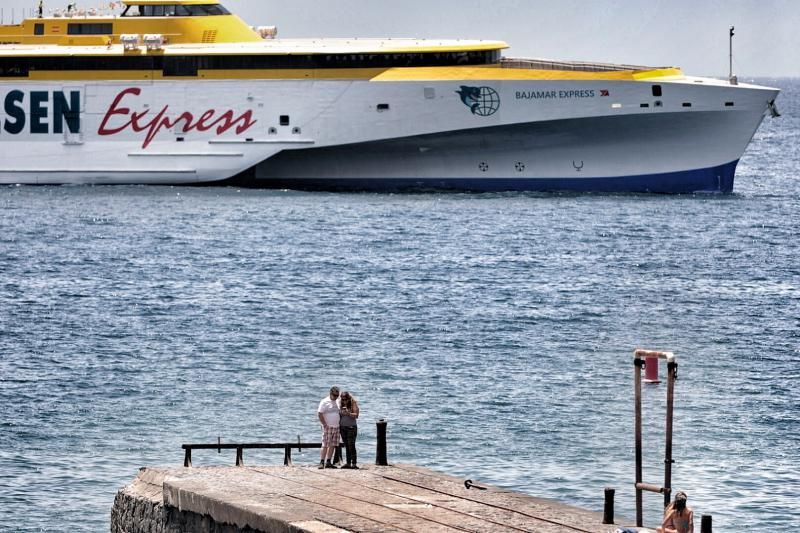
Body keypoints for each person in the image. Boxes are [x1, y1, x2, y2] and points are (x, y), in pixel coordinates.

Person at [317, 386, 340, 469]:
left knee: (333, 444)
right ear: (330, 393)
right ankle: (322, 461)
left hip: (336, 426)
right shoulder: (324, 401)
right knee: (325, 444)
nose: (336, 397)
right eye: (334, 395)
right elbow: (319, 414)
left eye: (337, 395)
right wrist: (324, 424)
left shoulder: (338, 401)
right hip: (328, 426)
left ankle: (328, 462)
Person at [338, 391, 359, 469]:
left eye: (345, 399)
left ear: (348, 398)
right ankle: (348, 463)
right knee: (346, 445)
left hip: (351, 427)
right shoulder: (340, 403)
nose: (344, 400)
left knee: (351, 445)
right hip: (342, 427)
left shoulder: (353, 403)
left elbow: (356, 415)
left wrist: (348, 413)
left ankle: (354, 463)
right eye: (342, 399)